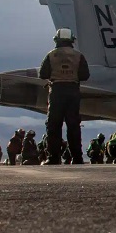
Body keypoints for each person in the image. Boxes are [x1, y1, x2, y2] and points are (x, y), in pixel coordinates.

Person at [38, 28, 90, 165]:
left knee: (53, 125)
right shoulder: (78, 55)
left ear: (56, 40)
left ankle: (53, 158)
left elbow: (43, 74)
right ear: (72, 40)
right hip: (73, 91)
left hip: (56, 91)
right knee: (73, 125)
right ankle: (77, 158)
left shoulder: (51, 55)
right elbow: (85, 76)